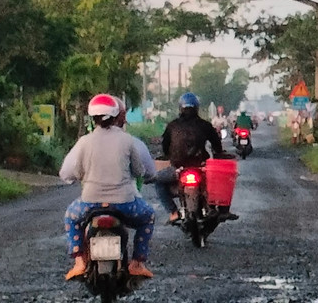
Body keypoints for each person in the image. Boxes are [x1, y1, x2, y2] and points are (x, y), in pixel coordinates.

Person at [59, 94, 157, 281]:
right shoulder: (128, 140)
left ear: (92, 117)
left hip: (90, 203)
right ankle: (137, 262)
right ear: (116, 116)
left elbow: (77, 173)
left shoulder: (84, 142)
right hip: (125, 203)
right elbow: (138, 171)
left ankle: (79, 261)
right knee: (148, 217)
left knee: (71, 218)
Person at [155, 92, 232, 223]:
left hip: (178, 168)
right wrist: (219, 153)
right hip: (201, 166)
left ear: (181, 108)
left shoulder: (172, 126)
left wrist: (168, 155)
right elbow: (216, 144)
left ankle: (173, 212)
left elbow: (165, 146)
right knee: (224, 178)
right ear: (197, 108)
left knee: (158, 182)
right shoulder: (205, 125)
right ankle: (221, 210)